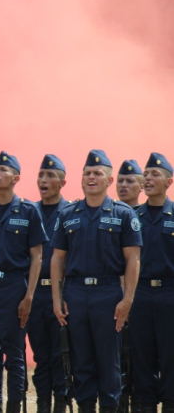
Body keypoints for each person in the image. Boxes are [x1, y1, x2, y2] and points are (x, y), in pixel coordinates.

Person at [51, 150, 142, 413]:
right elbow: (57, 259)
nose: (91, 177)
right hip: (76, 294)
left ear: (109, 181)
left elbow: (133, 260)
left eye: (97, 173)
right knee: (81, 362)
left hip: (108, 294)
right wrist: (57, 299)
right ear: (81, 179)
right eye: (87, 173)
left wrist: (128, 299)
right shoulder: (68, 214)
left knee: (109, 362)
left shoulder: (124, 214)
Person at [0, 152, 46, 413]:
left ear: (16, 178)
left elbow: (37, 256)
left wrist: (29, 295)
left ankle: (15, 407)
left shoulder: (28, 211)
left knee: (15, 353)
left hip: (13, 287)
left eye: (2, 170)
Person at [129, 153, 174, 413]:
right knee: (142, 357)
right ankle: (145, 405)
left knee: (170, 357)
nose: (148, 178)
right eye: (146, 174)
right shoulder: (133, 215)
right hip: (140, 294)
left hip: (169, 293)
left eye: (155, 174)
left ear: (168, 182)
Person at [27, 155, 70, 413]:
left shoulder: (70, 212)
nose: (44, 180)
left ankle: (61, 406)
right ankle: (43, 405)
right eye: (41, 175)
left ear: (62, 182)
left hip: (62, 294)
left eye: (50, 176)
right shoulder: (29, 212)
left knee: (61, 355)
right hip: (35, 293)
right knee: (41, 356)